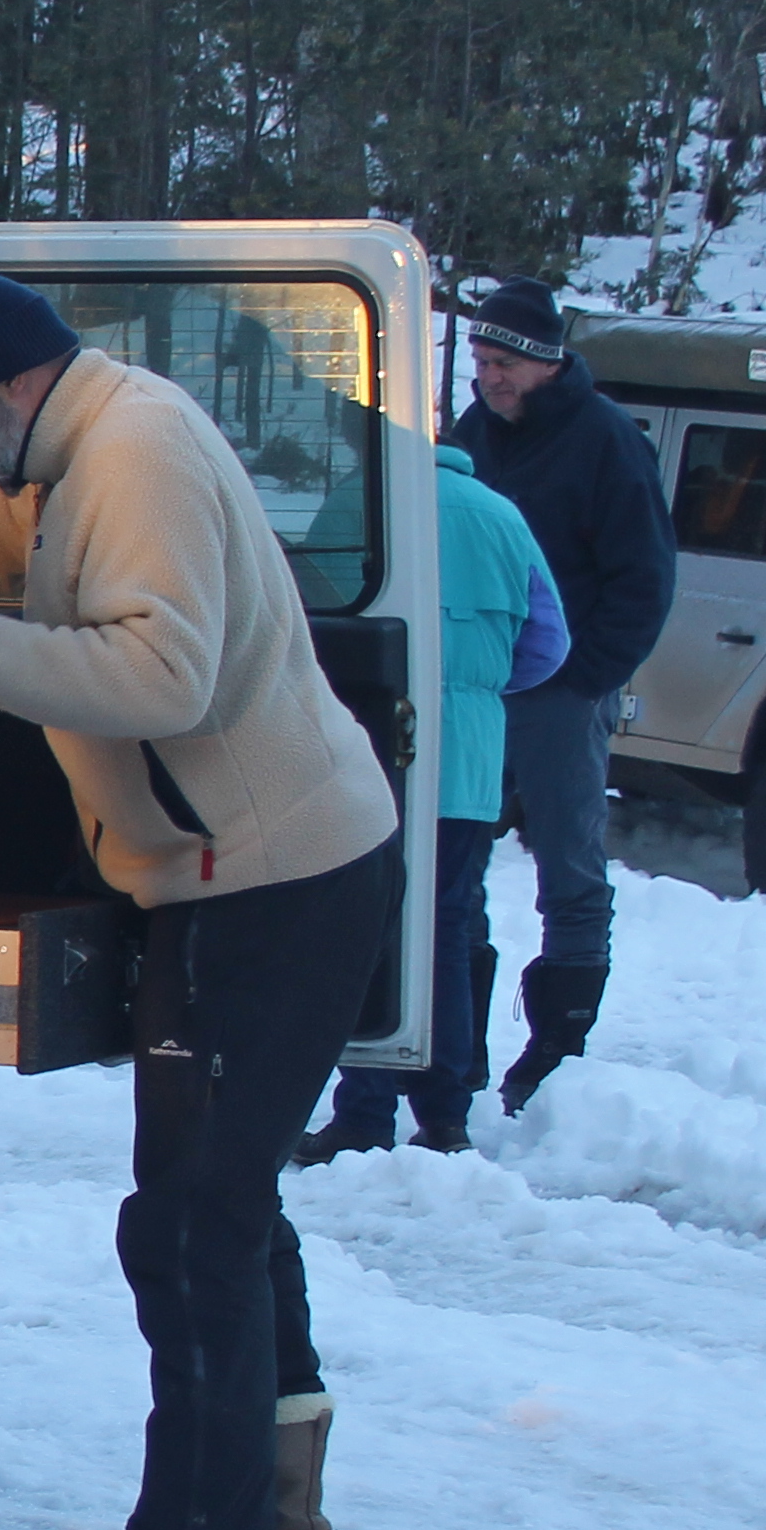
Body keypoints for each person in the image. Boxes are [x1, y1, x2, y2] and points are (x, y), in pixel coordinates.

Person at [0, 271, 404, 1530]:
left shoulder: (132, 455)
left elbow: (163, 679)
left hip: (268, 885)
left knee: (190, 1227)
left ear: (12, 388)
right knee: (227, 1212)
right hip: (247, 874)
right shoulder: (72, 444)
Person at [296, 445, 566, 1157]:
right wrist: (477, 687)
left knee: (374, 926)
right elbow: (548, 644)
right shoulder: (504, 517)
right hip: (468, 762)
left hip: (373, 744)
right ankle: (445, 1112)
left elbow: (307, 615)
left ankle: (364, 1112)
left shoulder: (365, 502)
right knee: (447, 928)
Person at [443, 279, 672, 1113]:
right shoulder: (478, 431)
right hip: (478, 685)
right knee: (454, 858)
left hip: (563, 691)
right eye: (480, 360)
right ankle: (453, 1046)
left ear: (544, 364)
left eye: (503, 363)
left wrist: (585, 678)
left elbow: (644, 580)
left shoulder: (609, 443)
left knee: (568, 867)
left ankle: (557, 1051)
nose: (489, 377)